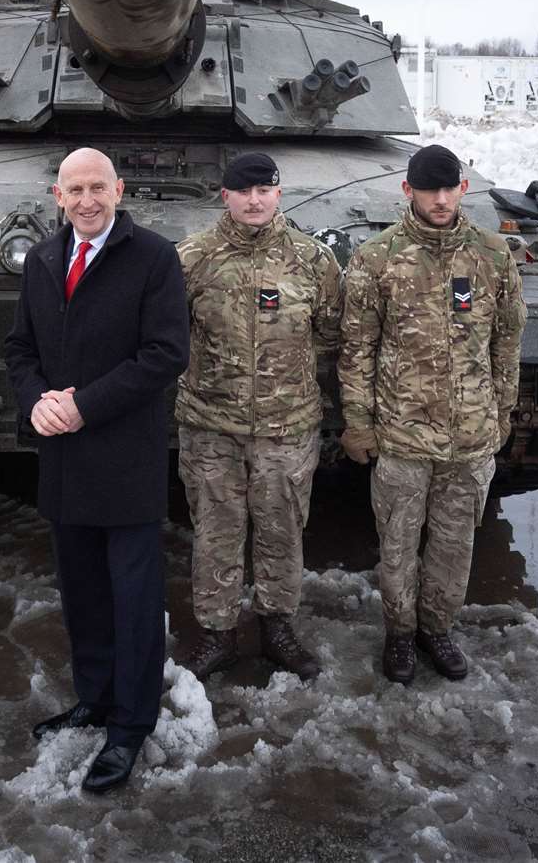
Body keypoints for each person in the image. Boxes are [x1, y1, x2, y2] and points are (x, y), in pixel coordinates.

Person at [5, 147, 189, 795]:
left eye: (98, 188)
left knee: (134, 598)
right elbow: (20, 347)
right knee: (81, 590)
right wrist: (35, 400)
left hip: (123, 455)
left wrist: (86, 404)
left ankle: (132, 722)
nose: (87, 200)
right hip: (62, 456)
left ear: (119, 189)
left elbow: (165, 353)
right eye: (74, 189)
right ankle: (96, 696)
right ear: (58, 195)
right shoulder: (47, 257)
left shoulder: (153, 257)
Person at [337, 143, 526, 684]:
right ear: (409, 191)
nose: (440, 200)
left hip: (471, 434)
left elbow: (507, 341)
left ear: (463, 189)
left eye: (449, 188)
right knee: (397, 543)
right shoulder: (378, 258)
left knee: (453, 542)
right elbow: (356, 350)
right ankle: (399, 633)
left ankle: (437, 629)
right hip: (401, 434)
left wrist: (503, 413)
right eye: (429, 189)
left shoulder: (492, 255)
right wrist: (358, 422)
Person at [175, 151, 343, 683]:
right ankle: (218, 633)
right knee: (215, 533)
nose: (254, 200)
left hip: (286, 427)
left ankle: (278, 628)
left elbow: (333, 332)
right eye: (243, 191)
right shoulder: (193, 259)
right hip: (210, 427)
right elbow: (167, 336)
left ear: (278, 193)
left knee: (283, 530)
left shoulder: (312, 261)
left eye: (263, 190)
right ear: (224, 195)